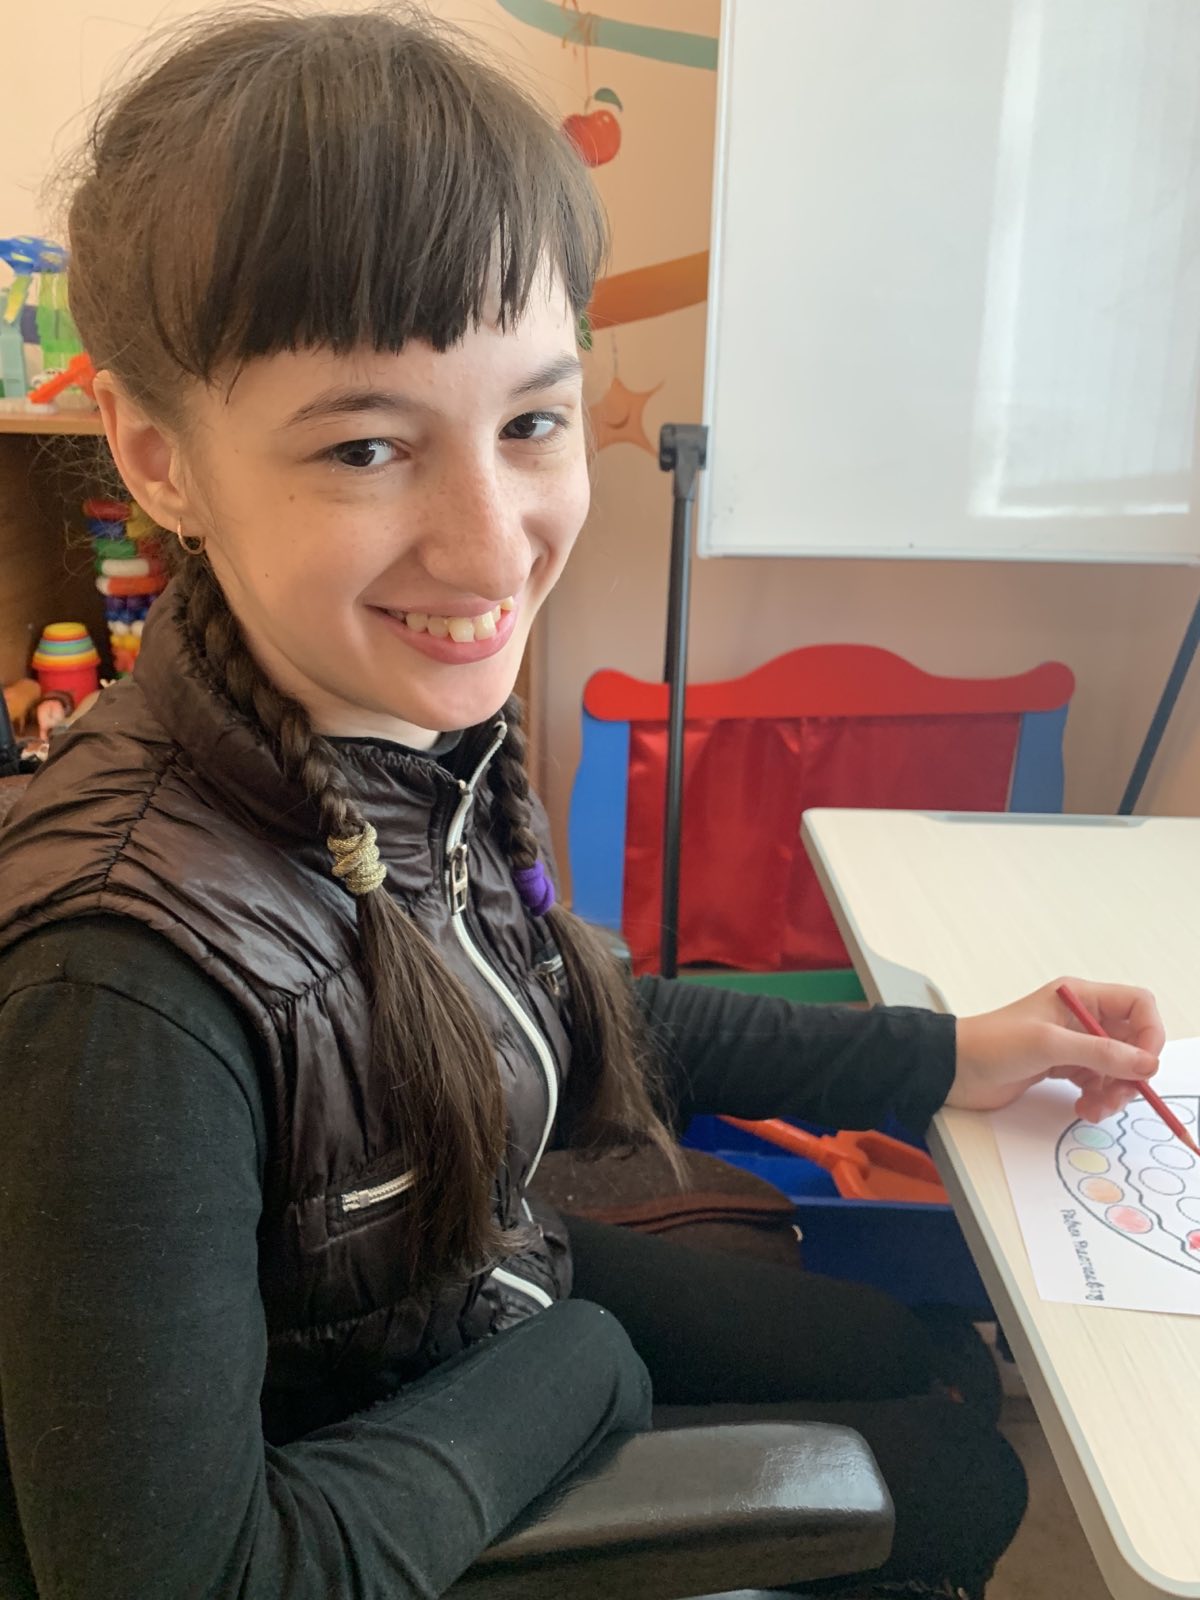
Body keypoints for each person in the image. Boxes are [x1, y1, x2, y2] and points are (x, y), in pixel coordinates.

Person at [0, 12, 1165, 1599]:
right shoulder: (117, 998)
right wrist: (587, 1371)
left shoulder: (395, 734)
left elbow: (571, 1001)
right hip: (380, 1430)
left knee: (920, 1357)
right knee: (965, 1480)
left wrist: (953, 1053)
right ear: (158, 458)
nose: (494, 550)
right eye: (365, 446)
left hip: (452, 1289)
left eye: (533, 422)